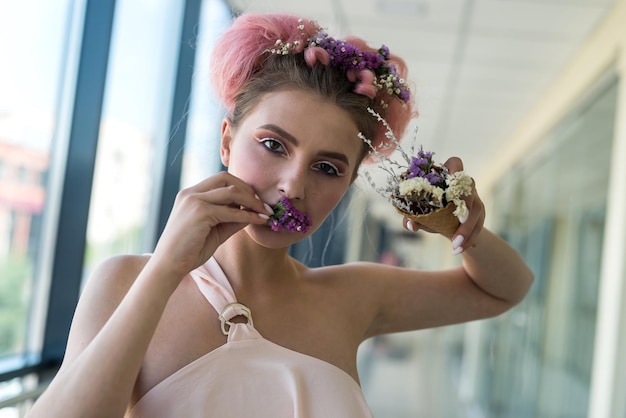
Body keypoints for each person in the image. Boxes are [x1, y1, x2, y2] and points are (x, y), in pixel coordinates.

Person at [28, 12, 533, 418]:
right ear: (226, 141)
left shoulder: (352, 296)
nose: (293, 184)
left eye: (328, 168)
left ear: (349, 185)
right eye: (273, 145)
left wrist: (466, 227)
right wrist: (165, 270)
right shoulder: (126, 282)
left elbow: (504, 288)